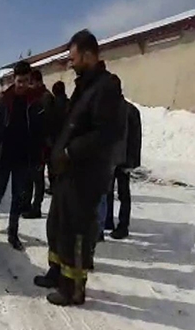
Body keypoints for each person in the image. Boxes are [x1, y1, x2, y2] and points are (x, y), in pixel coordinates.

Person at [33, 29, 127, 306]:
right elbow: (74, 124)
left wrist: (70, 152)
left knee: (76, 231)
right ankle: (57, 273)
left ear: (88, 55)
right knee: (58, 225)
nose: (70, 63)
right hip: (68, 173)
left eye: (73, 58)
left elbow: (105, 134)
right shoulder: (85, 86)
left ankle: (73, 288)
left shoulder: (106, 88)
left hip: (85, 174)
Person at [0, 61, 44, 251]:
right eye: (19, 81)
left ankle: (13, 232)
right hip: (4, 155)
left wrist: (38, 158)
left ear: (30, 80)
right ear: (14, 79)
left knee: (18, 196)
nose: (22, 85)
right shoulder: (4, 100)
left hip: (23, 157)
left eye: (26, 81)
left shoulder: (35, 102)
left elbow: (40, 133)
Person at [105, 101, 142, 239]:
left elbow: (134, 137)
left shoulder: (122, 110)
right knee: (118, 192)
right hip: (122, 158)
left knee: (118, 192)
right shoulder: (129, 110)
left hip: (118, 158)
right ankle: (116, 222)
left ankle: (119, 224)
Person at [22, 69, 53, 218]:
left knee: (38, 178)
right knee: (28, 176)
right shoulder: (32, 96)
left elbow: (46, 124)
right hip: (30, 143)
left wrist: (45, 146)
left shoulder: (45, 98)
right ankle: (26, 204)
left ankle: (36, 207)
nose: (29, 85)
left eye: (31, 82)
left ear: (37, 82)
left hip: (41, 145)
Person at [45, 81, 69, 194]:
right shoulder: (70, 103)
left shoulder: (52, 104)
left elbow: (49, 122)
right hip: (67, 140)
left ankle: (54, 187)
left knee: (52, 165)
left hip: (54, 140)